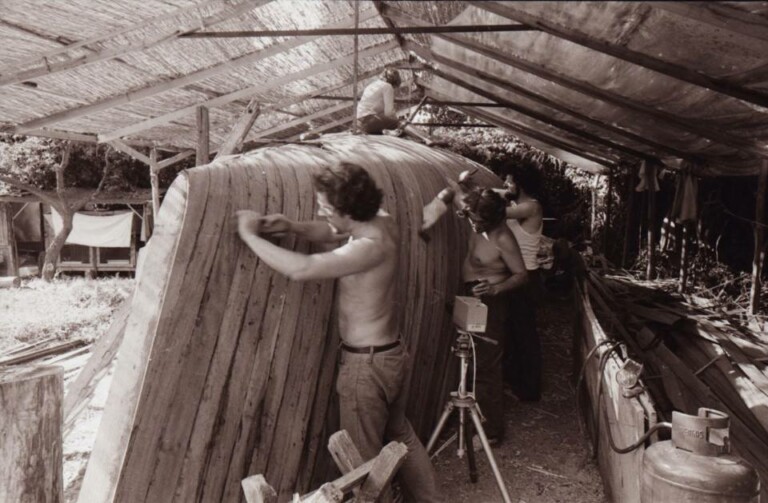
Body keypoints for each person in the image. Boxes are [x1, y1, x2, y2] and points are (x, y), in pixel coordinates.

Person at [236, 161, 439, 502]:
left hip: (366, 368)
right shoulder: (382, 221)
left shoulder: (368, 248)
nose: (321, 211)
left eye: (327, 208)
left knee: (363, 466)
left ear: (350, 212)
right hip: (391, 354)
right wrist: (292, 226)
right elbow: (334, 232)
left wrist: (248, 234)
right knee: (400, 434)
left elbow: (303, 268)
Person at [456, 187, 528, 444]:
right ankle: (471, 416)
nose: (472, 222)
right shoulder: (476, 217)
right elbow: (455, 188)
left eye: (477, 220)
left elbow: (521, 274)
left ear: (492, 219)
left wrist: (496, 288)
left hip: (490, 302)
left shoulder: (503, 239)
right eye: (471, 217)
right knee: (468, 358)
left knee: (486, 366)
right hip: (470, 296)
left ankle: (492, 432)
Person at [497, 162, 544, 402]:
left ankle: (530, 390)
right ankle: (518, 384)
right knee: (515, 333)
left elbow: (494, 210)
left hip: (526, 277)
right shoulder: (520, 204)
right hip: (518, 275)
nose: (505, 185)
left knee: (525, 335)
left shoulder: (531, 207)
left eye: (509, 181)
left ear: (520, 184)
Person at [357, 69, 403, 134]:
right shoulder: (387, 86)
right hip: (370, 120)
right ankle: (422, 139)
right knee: (401, 124)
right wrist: (396, 119)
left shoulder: (373, 85)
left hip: (360, 122)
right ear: (394, 82)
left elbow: (377, 109)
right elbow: (389, 112)